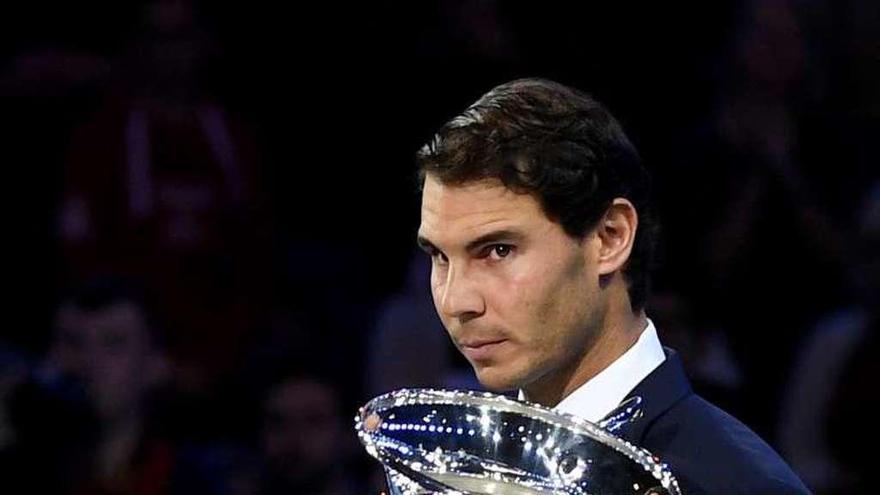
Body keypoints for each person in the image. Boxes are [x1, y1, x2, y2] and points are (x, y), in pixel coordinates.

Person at [413, 78, 809, 493]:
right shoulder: (453, 469)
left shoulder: (732, 484)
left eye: (498, 251)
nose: (457, 299)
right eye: (440, 256)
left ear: (610, 238)